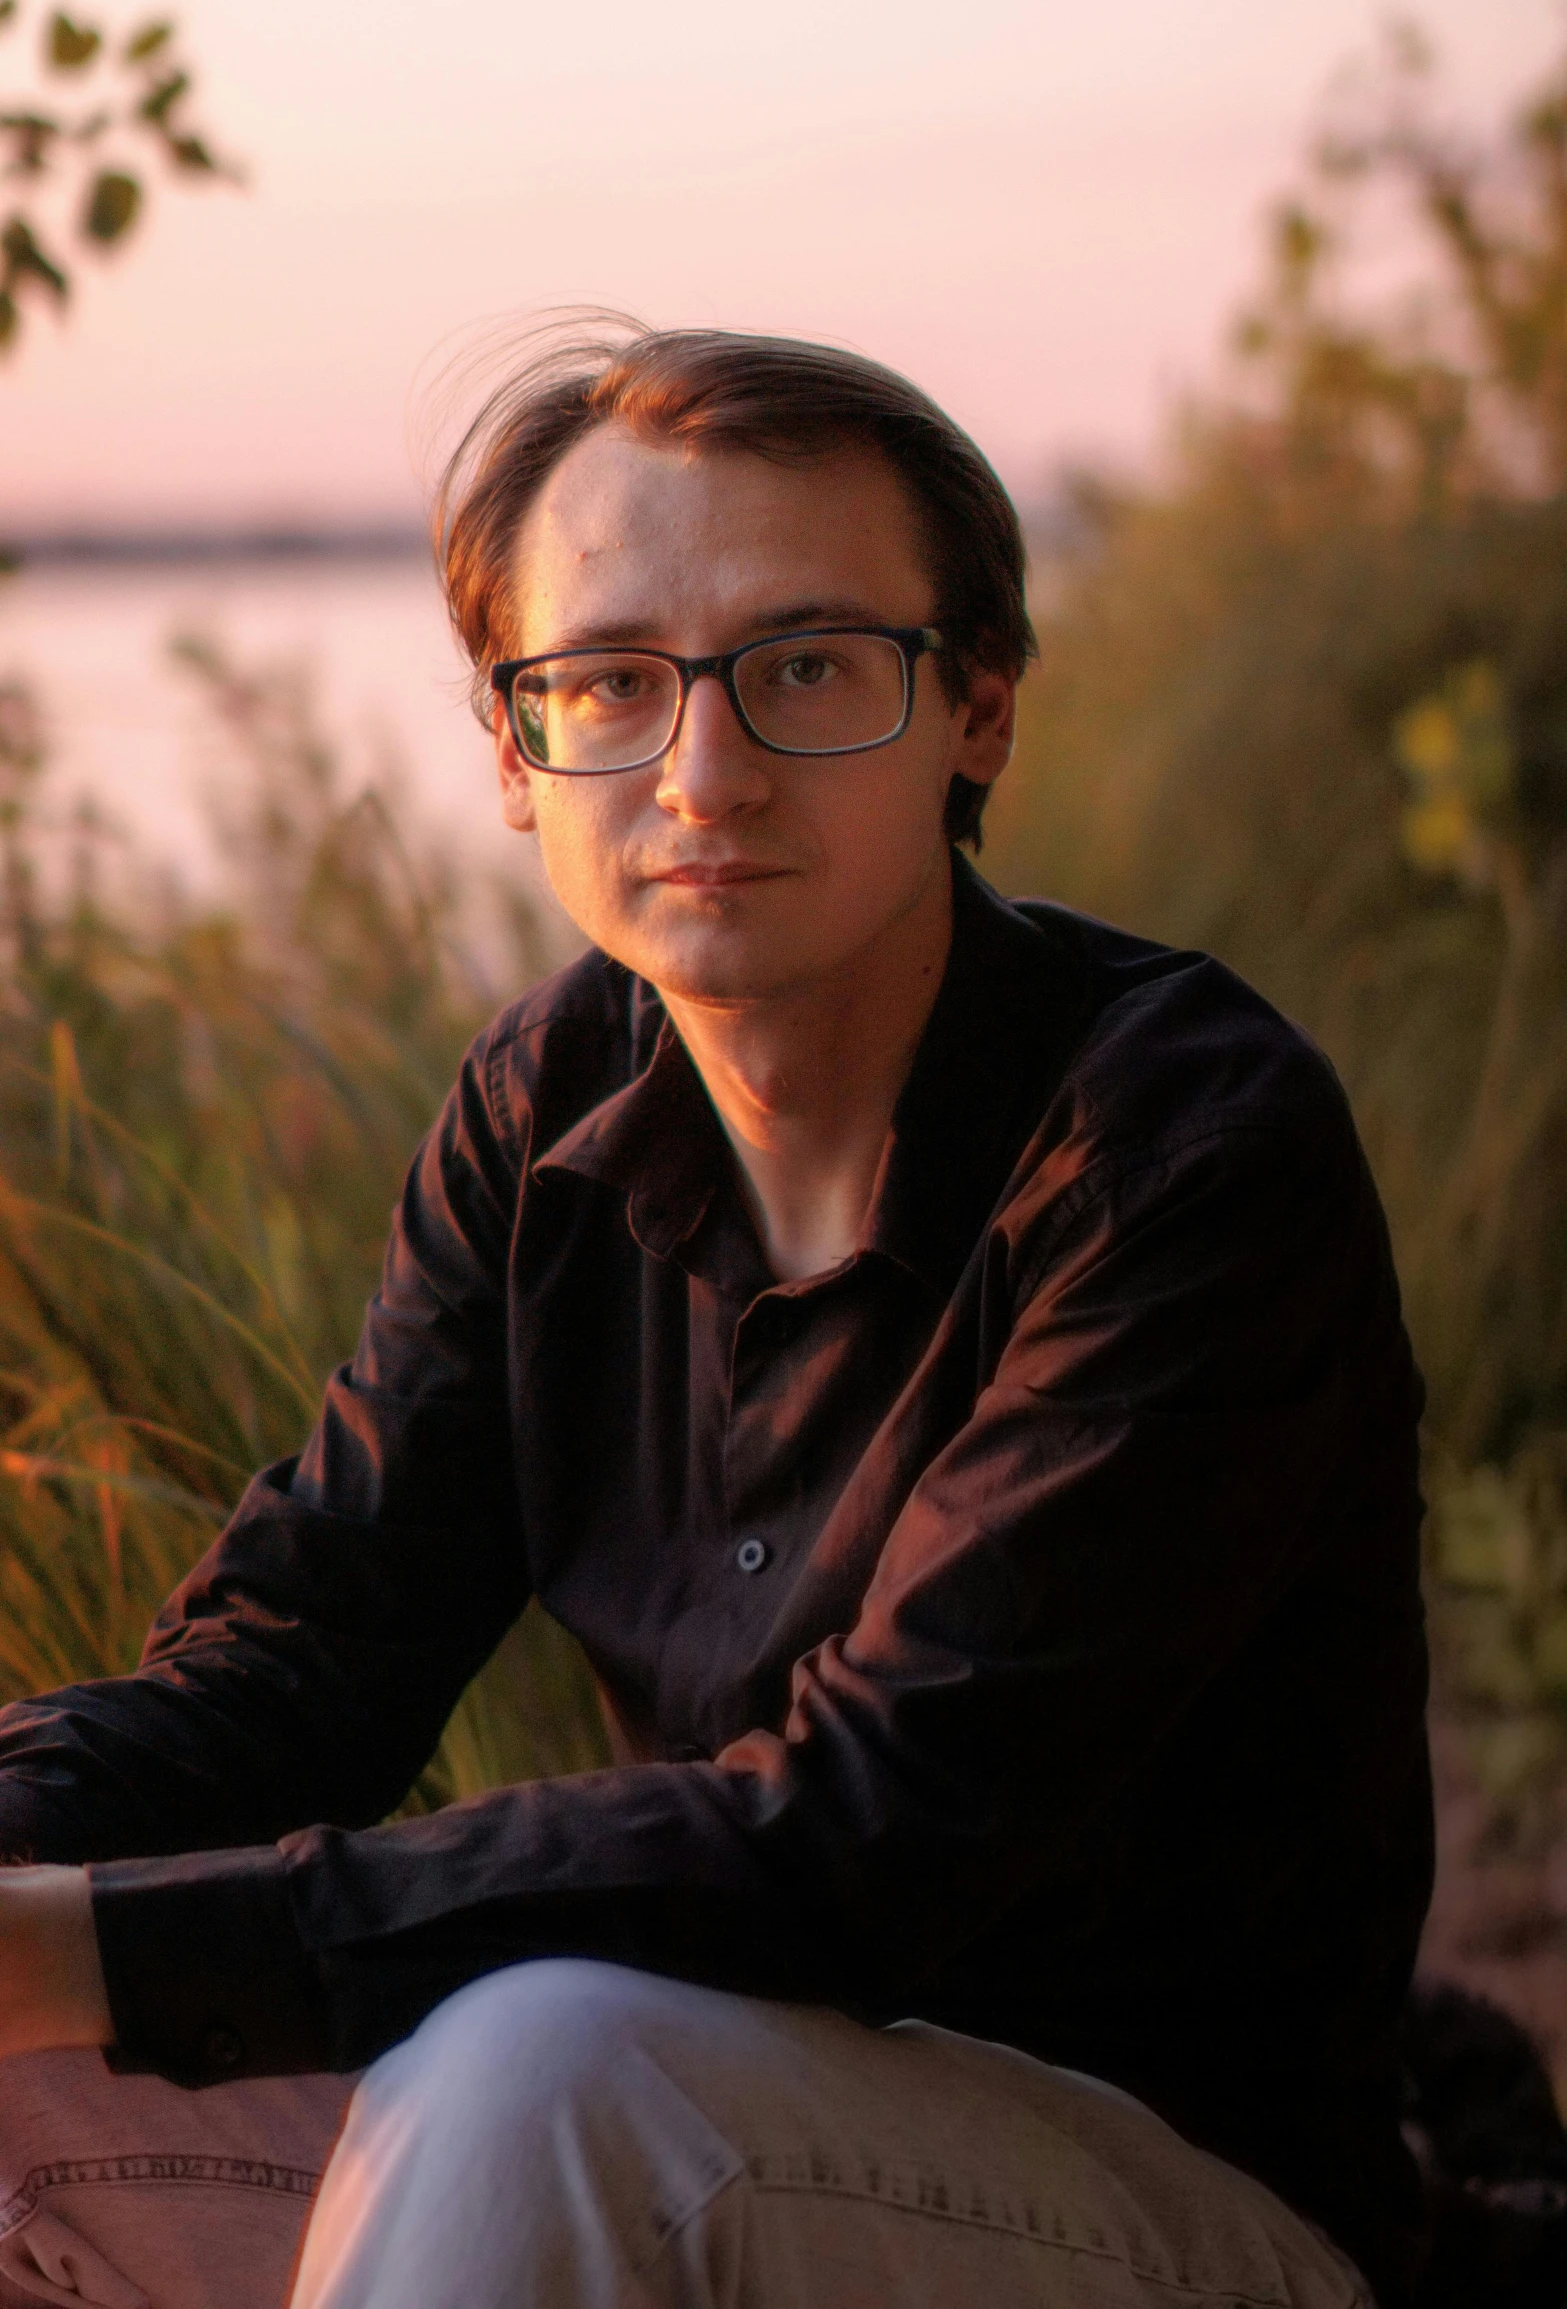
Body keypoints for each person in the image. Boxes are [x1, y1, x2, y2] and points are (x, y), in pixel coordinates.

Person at [0, 326, 1432, 2309]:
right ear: (512, 755)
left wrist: (85, 1941)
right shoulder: (544, 1102)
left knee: (540, 2057)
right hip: (658, 2144)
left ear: (980, 712)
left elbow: (868, 1839)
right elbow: (291, 1672)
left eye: (809, 667)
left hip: (1166, 2203)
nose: (705, 770)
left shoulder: (1182, 1142)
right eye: (609, 682)